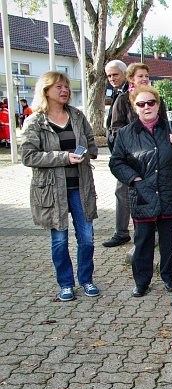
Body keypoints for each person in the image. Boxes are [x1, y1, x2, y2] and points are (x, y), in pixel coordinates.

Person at [109, 85, 172, 297]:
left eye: (151, 102)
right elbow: (116, 162)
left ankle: (169, 277)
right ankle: (141, 281)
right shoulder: (126, 133)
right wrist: (135, 179)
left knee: (170, 241)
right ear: (135, 107)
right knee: (143, 241)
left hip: (170, 192)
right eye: (141, 103)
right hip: (143, 194)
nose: (147, 107)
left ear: (158, 105)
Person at [21, 71, 99, 301]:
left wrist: (89, 152)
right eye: (59, 87)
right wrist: (63, 157)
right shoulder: (36, 121)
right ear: (46, 91)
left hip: (81, 187)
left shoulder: (77, 115)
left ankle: (86, 280)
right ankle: (65, 284)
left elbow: (91, 141)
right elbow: (28, 156)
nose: (65, 90)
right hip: (52, 190)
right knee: (60, 240)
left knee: (87, 238)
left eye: (66, 86)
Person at [102, 60, 133, 248]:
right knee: (123, 193)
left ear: (125, 74)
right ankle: (122, 232)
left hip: (130, 154)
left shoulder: (129, 93)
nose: (112, 78)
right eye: (109, 76)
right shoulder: (117, 92)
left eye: (115, 74)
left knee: (123, 193)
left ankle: (123, 232)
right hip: (121, 153)